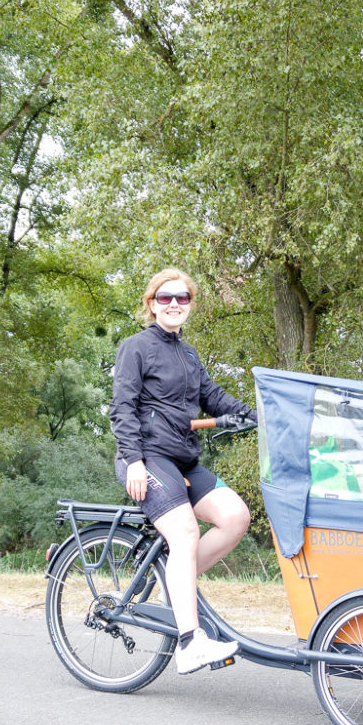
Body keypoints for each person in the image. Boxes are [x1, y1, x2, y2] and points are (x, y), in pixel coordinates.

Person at [109, 269, 255, 675]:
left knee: (236, 517)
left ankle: (178, 583)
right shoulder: (136, 347)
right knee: (187, 531)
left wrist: (255, 414)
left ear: (190, 304)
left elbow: (213, 397)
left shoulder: (189, 355)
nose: (174, 304)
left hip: (183, 458)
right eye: (165, 297)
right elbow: (122, 407)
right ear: (151, 303)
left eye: (183, 298)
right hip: (147, 457)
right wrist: (133, 459)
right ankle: (189, 644)